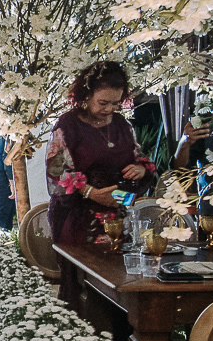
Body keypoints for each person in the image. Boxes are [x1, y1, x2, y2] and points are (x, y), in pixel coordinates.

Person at [46, 61, 156, 248]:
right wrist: (91, 192)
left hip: (118, 215)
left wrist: (140, 169)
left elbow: (140, 160)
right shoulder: (67, 125)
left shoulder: (122, 125)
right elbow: (56, 171)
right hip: (78, 219)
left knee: (119, 264)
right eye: (103, 103)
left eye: (115, 103)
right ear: (87, 96)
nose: (109, 109)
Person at [0, 134, 15, 230]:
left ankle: (5, 235)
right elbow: (6, 156)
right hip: (2, 174)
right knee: (4, 214)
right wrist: (11, 181)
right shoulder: (8, 132)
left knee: (7, 213)